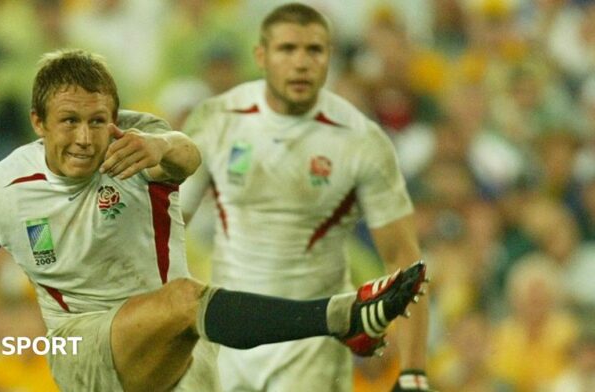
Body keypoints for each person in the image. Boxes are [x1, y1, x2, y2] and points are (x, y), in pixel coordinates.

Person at [0, 49, 426, 392]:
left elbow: (185, 156)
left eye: (99, 121)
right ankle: (343, 320)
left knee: (188, 312)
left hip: (181, 353)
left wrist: (158, 145)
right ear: (37, 123)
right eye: (69, 121)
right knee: (185, 299)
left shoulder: (137, 142)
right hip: (84, 348)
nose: (85, 138)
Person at [180, 3, 431, 391]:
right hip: (228, 346)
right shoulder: (216, 121)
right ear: (261, 56)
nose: (300, 63)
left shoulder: (361, 141)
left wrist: (413, 370)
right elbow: (167, 225)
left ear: (328, 57)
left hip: (312, 352)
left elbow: (405, 260)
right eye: (287, 49)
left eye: (313, 50)